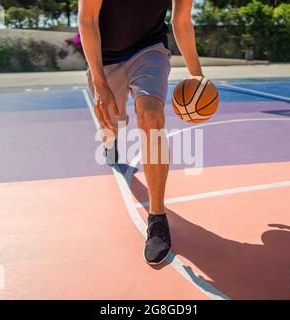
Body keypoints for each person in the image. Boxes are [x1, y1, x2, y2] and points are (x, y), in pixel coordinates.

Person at [79, 0, 204, 265]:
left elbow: (181, 22)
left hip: (149, 51)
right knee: (111, 127)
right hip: (106, 60)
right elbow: (87, 19)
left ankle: (157, 217)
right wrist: (100, 83)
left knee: (151, 117)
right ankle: (111, 141)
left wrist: (197, 75)